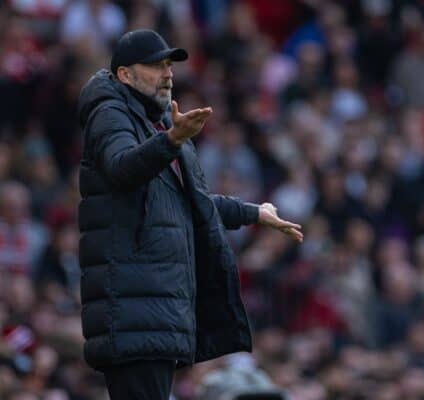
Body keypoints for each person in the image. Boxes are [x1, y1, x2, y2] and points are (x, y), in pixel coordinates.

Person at [77, 29, 303, 400]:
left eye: (169, 65)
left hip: (155, 311)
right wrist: (171, 141)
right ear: (125, 75)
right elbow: (121, 168)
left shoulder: (161, 123)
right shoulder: (110, 112)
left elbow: (186, 203)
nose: (167, 73)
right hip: (134, 311)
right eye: (155, 65)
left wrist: (253, 212)